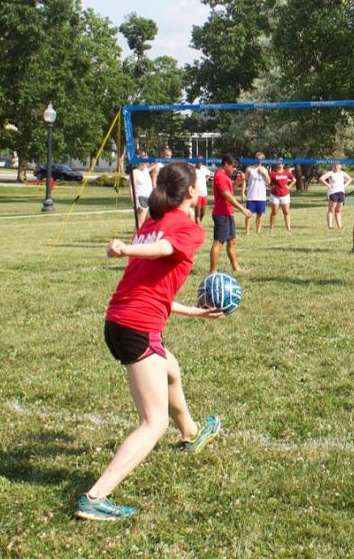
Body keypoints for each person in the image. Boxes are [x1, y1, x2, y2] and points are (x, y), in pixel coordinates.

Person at [75, 163, 224, 522]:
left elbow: (153, 284)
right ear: (190, 192)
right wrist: (126, 248)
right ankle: (95, 496)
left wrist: (193, 312)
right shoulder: (185, 229)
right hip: (137, 326)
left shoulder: (151, 223)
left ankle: (191, 432)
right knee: (152, 423)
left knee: (170, 369)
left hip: (120, 321)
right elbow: (163, 249)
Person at [209, 154, 252, 273]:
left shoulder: (225, 176)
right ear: (226, 164)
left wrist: (237, 182)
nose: (233, 169)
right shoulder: (220, 176)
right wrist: (242, 209)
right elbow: (227, 196)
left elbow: (229, 191)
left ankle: (236, 268)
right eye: (232, 166)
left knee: (232, 241)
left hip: (228, 212)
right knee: (218, 242)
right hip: (221, 213)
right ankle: (213, 271)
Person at [241, 152, 270, 235]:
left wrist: (264, 174)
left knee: (259, 214)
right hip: (251, 195)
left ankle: (258, 231)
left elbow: (268, 182)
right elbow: (245, 181)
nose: (259, 161)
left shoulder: (264, 170)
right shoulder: (249, 169)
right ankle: (247, 232)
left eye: (261, 159)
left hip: (261, 196)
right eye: (258, 159)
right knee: (248, 214)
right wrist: (243, 193)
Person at [319, 162, 353, 230]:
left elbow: (350, 179)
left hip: (341, 193)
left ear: (340, 166)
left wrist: (345, 186)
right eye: (335, 165)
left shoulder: (342, 173)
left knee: (338, 210)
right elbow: (321, 178)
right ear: (332, 165)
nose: (336, 166)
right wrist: (328, 185)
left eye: (338, 165)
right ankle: (330, 226)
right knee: (331, 209)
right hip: (333, 192)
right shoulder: (330, 173)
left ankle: (339, 226)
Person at [267, 160, 295, 231]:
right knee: (274, 212)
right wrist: (270, 187)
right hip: (275, 195)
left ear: (283, 164)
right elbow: (266, 181)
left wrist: (289, 187)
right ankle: (271, 227)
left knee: (286, 212)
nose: (280, 164)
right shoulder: (272, 173)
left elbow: (294, 180)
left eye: (282, 163)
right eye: (279, 163)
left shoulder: (286, 173)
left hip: (285, 195)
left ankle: (288, 228)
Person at [131, 161, 153, 227]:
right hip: (141, 198)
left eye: (147, 162)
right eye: (144, 162)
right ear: (139, 162)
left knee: (149, 222)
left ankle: (145, 237)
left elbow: (157, 163)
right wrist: (134, 203)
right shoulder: (135, 172)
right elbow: (131, 188)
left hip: (149, 198)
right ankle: (135, 237)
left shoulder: (146, 170)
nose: (146, 163)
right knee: (140, 222)